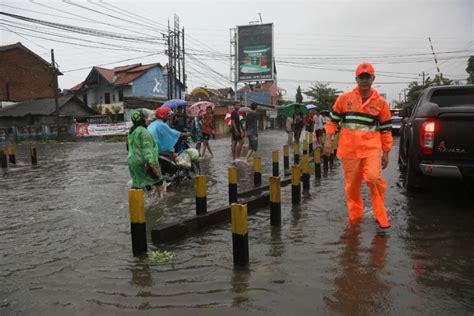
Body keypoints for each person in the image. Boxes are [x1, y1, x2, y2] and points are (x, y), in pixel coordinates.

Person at [323, 62, 393, 229]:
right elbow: (333, 121)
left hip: (371, 149)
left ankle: (380, 214)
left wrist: (386, 153)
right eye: (361, 77)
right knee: (352, 187)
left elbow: (385, 130)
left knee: (373, 178)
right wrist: (328, 140)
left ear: (373, 78)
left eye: (367, 77)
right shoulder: (344, 99)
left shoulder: (381, 103)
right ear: (356, 79)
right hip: (349, 150)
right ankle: (355, 218)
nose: (364, 80)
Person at [127, 111, 165, 196]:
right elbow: (147, 148)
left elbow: (128, 147)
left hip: (132, 161)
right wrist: (152, 163)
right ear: (143, 119)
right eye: (146, 118)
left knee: (137, 184)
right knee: (159, 181)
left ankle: (136, 204)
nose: (148, 120)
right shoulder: (143, 131)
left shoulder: (132, 131)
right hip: (142, 161)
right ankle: (161, 202)